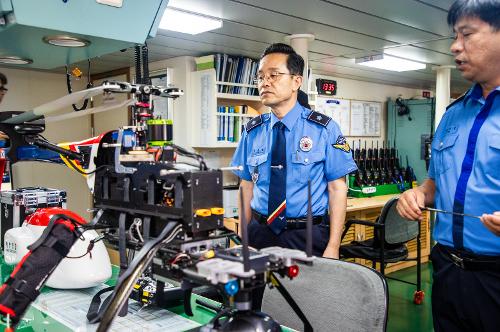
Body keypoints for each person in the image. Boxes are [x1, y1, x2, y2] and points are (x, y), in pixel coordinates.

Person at [396, 0, 500, 330]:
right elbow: (434, 183)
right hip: (446, 270)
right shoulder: (453, 114)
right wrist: (416, 195)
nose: (455, 46)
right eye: (455, 35)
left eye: (467, 34)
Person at [231, 43, 357, 259]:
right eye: (260, 77)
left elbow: (337, 190)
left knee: (306, 294)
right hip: (259, 234)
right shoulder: (252, 131)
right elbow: (246, 187)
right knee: (257, 293)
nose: (265, 83)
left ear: (296, 81)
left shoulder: (324, 129)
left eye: (274, 75)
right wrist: (243, 238)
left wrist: (334, 246)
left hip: (307, 235)